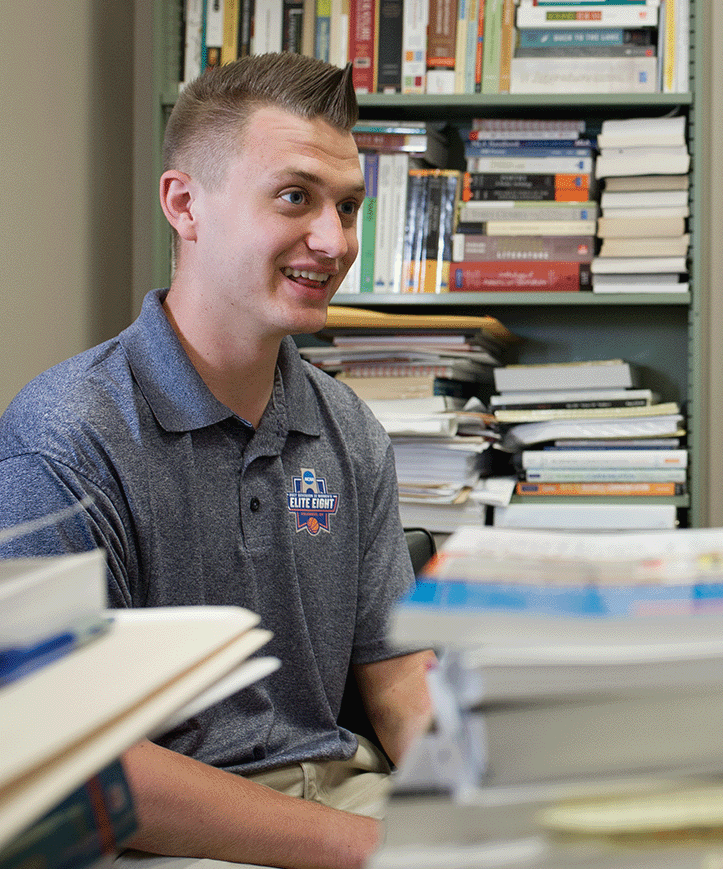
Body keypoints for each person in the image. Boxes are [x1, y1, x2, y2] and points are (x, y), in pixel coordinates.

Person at [0, 52, 432, 869]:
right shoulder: (62, 434)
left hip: (352, 796)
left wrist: (495, 809)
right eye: (296, 197)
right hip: (169, 834)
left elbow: (401, 679)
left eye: (348, 206)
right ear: (185, 203)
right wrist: (380, 852)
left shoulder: (349, 428)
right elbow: (70, 763)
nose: (334, 241)